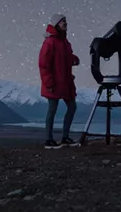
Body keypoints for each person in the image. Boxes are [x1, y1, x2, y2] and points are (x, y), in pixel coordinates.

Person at [38, 14, 81, 148]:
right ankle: (48, 140)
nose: (65, 23)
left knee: (72, 107)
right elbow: (44, 64)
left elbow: (64, 57)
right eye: (62, 21)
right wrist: (49, 82)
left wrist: (73, 59)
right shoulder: (50, 42)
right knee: (52, 110)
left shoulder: (65, 42)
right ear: (56, 24)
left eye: (65, 21)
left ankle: (65, 137)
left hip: (66, 82)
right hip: (54, 83)